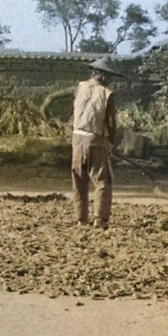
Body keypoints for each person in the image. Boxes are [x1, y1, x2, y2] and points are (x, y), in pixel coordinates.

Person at [71, 56, 123, 230]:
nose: (111, 81)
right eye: (109, 77)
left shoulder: (79, 88)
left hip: (76, 138)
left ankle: (81, 219)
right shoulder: (107, 94)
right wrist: (112, 142)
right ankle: (100, 219)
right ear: (101, 75)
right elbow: (111, 124)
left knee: (79, 179)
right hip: (95, 138)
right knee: (102, 180)